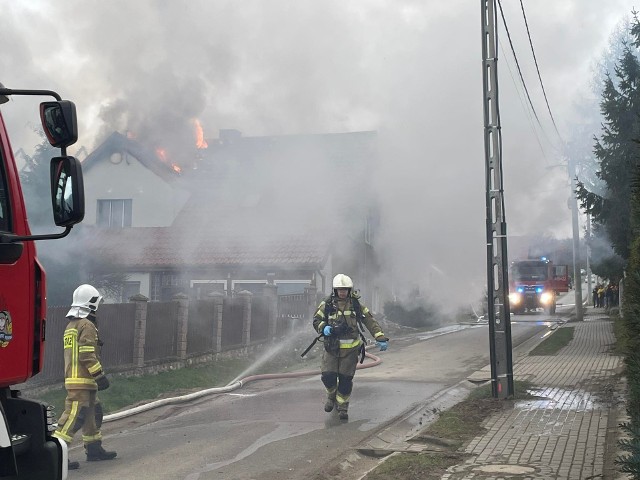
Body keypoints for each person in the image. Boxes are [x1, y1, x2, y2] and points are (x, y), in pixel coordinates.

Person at [53, 284, 117, 470]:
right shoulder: (87, 325)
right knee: (74, 417)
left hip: (79, 380)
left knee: (91, 415)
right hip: (83, 380)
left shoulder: (71, 325)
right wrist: (100, 376)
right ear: (91, 304)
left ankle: (94, 449)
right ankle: (58, 455)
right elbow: (87, 354)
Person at [312, 274, 388, 421]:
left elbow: (369, 320)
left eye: (345, 290)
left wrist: (380, 337)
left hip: (350, 350)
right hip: (331, 348)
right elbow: (316, 320)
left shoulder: (355, 305)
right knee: (328, 376)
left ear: (349, 290)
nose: (342, 292)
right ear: (335, 290)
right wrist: (324, 328)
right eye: (340, 290)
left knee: (346, 379)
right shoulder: (327, 304)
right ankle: (331, 396)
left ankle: (342, 407)